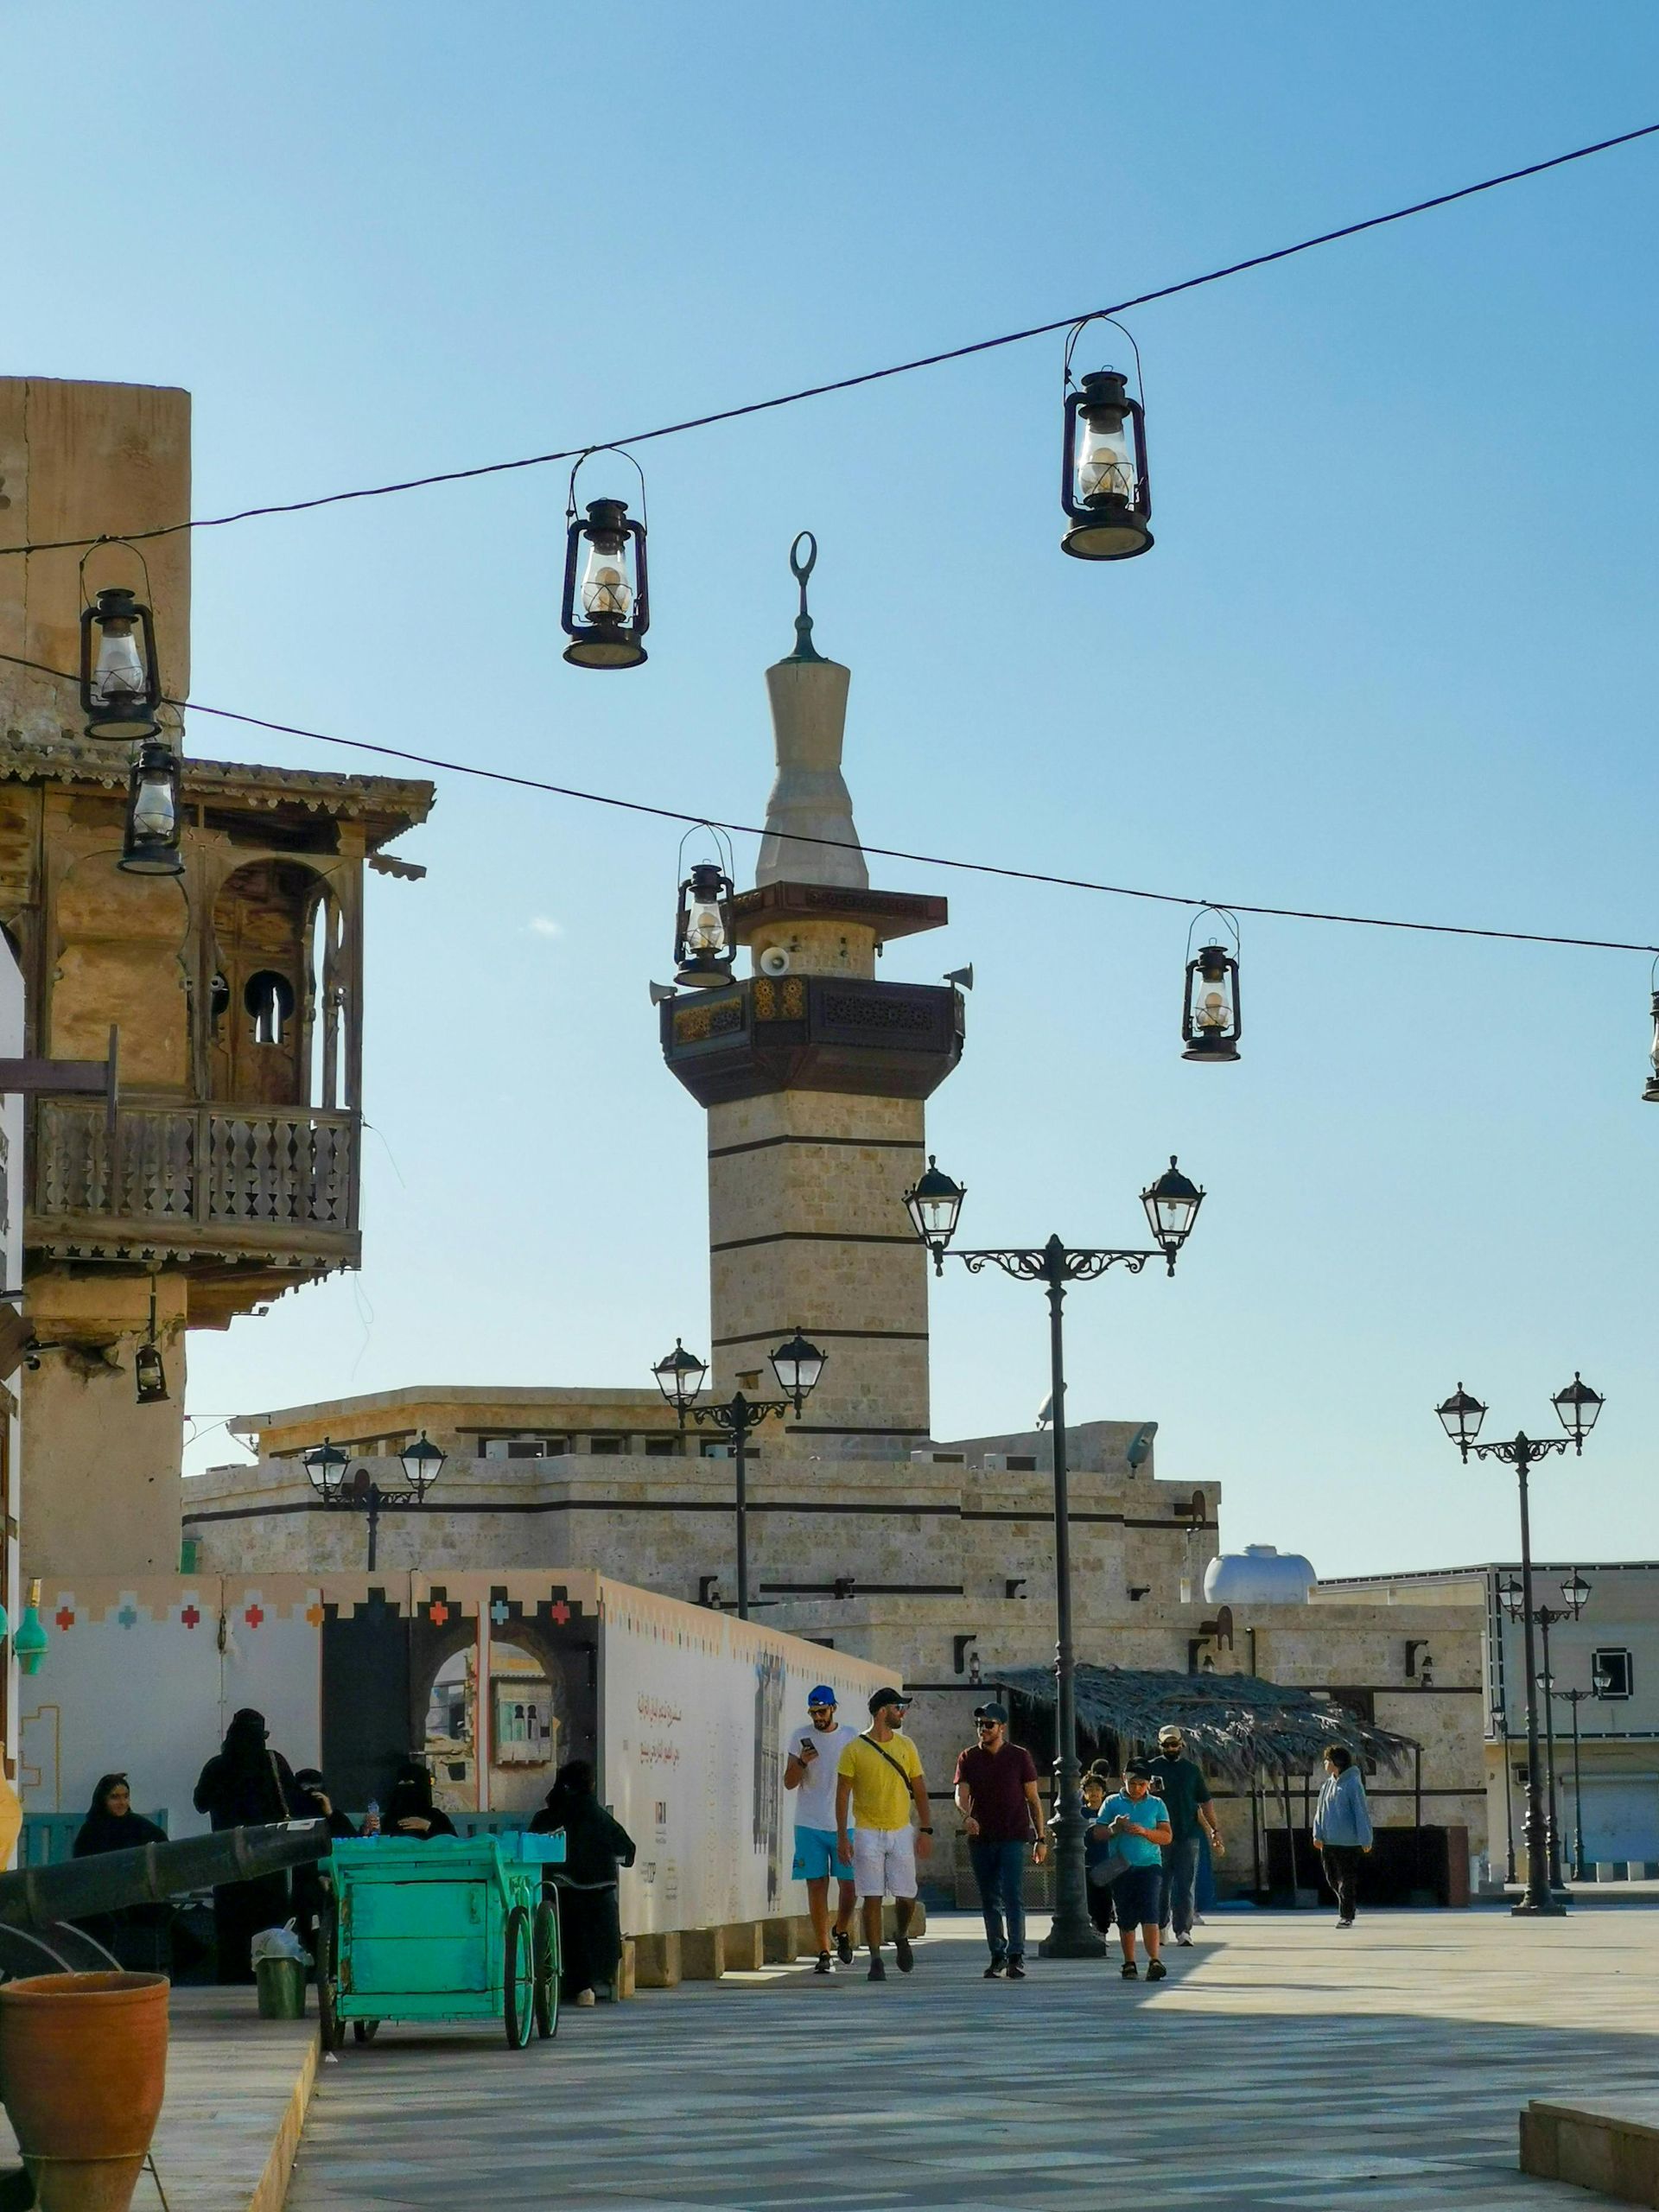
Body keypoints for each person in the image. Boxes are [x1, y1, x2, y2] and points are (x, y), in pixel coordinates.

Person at [193, 1709, 299, 1982]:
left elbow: (200, 1803)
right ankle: (270, 1977)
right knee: (270, 1925)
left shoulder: (217, 1766)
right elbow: (294, 1801)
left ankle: (232, 1977)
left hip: (228, 1858)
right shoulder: (274, 1762)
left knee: (232, 1927)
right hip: (268, 1857)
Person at [835, 1687, 931, 1983]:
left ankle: (901, 1935)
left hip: (901, 1829)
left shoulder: (907, 1746)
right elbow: (842, 1795)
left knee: (906, 1896)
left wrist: (925, 1828)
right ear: (881, 1711)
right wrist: (842, 1836)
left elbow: (919, 1789)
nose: (902, 1713)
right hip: (866, 1831)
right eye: (898, 1707)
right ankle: (876, 1959)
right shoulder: (854, 1749)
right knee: (872, 1895)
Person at [953, 1701, 1046, 1980]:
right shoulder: (968, 1758)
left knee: (1012, 1895)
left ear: (1001, 1727)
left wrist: (1040, 1838)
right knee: (989, 1898)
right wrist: (965, 1815)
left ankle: (1016, 1955)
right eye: (980, 1725)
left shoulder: (1019, 1757)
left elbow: (1033, 1799)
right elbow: (960, 1793)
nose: (983, 1729)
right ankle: (997, 1955)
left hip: (1013, 1836)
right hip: (981, 1838)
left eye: (989, 1725)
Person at [531, 1759, 637, 2005]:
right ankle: (588, 1985)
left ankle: (575, 1985)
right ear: (590, 1785)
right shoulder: (600, 1817)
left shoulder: (549, 1817)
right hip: (601, 1894)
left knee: (566, 1915)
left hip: (563, 1895)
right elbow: (627, 1851)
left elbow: (532, 1847)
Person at [783, 1685, 859, 1974]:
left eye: (822, 1711)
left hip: (846, 1823)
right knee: (816, 1885)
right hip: (809, 1822)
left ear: (833, 1709)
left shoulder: (850, 1736)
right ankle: (823, 1951)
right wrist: (802, 1761)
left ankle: (841, 1928)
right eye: (813, 1712)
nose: (818, 1718)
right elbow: (789, 1783)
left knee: (850, 1885)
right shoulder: (800, 1737)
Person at [73, 1774, 171, 1970]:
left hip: (140, 1898)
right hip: (102, 1901)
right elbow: (83, 1871)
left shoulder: (142, 1828)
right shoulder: (92, 1831)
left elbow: (164, 1859)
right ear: (103, 1800)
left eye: (125, 1796)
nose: (122, 1802)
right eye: (114, 1797)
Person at [1148, 1724, 1225, 1947]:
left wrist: (1215, 1830)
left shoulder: (1192, 1771)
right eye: (1167, 1745)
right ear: (1160, 1745)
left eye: (1175, 1744)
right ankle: (1161, 1925)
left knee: (1185, 1885)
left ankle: (1183, 1930)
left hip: (1187, 1834)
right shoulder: (1150, 1768)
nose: (1171, 1748)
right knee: (1160, 1885)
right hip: (1159, 1836)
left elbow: (1205, 1802)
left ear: (1181, 1744)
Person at [1094, 1761, 1173, 1980]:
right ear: (1123, 1779)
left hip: (1150, 1865)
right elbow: (1098, 1833)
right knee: (1126, 1916)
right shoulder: (1111, 1802)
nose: (1136, 1788)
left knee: (1150, 1913)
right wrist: (1114, 1828)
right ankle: (1129, 1962)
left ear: (1148, 1784)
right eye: (1132, 1783)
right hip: (1121, 1866)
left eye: (1141, 1784)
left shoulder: (1157, 1804)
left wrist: (1146, 1832)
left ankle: (1154, 1960)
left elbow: (1166, 1836)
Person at [289, 1768, 357, 1955]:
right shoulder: (290, 1822)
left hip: (334, 1881)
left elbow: (351, 1846)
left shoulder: (335, 1819)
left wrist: (330, 1814)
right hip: (305, 1888)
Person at [1312, 1742, 1373, 1927]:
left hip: (1349, 1843)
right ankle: (1350, 1906)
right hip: (1329, 1841)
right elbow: (1320, 1810)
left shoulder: (1353, 1784)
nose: (1324, 1764)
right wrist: (1317, 1833)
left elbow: (1360, 1812)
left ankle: (1346, 1916)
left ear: (1336, 1762)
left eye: (1327, 1760)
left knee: (1347, 1881)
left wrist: (1365, 1838)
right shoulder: (1327, 1785)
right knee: (1332, 1879)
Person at [383, 1760, 459, 1839]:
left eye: (410, 1784)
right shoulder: (390, 1818)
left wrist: (427, 1826)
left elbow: (451, 1843)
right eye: (401, 1784)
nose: (406, 1790)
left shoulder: (436, 1817)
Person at [1081, 1768, 1116, 1940]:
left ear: (1103, 1792)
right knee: (1089, 1897)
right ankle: (1092, 1927)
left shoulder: (1109, 1813)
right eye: (1089, 1789)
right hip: (1085, 1861)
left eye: (1097, 1789)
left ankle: (1102, 1930)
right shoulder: (1080, 1813)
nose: (1093, 1793)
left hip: (1106, 1861)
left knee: (1104, 1897)